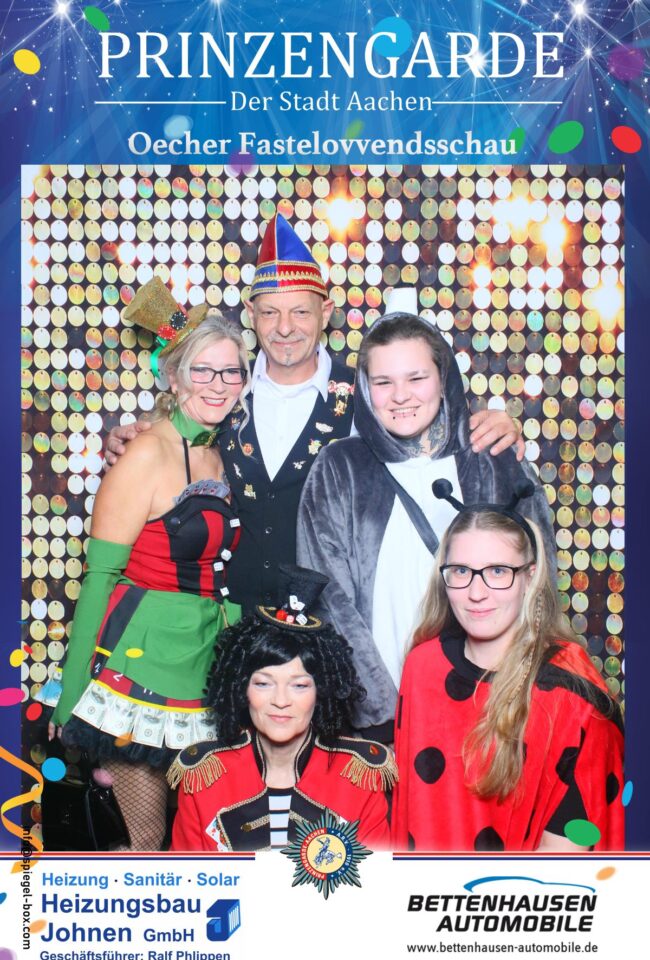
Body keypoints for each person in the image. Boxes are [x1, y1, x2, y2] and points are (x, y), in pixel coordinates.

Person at [105, 217, 522, 611]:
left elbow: (432, 437)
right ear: (251, 314)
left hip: (332, 624)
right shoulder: (226, 391)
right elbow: (175, 451)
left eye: (301, 312)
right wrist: (136, 441)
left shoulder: (369, 394)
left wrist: (497, 427)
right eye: (270, 312)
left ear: (325, 313)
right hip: (232, 623)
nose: (285, 328)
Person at [47, 276, 250, 850]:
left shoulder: (226, 451)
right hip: (139, 669)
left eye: (231, 372)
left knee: (206, 836)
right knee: (143, 840)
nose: (218, 384)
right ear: (174, 376)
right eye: (203, 370)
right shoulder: (145, 452)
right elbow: (100, 578)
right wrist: (72, 696)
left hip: (206, 662)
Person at [297, 293, 555, 741]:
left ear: (443, 377)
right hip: (384, 715)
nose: (400, 396)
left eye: (416, 377)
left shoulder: (492, 456)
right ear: (365, 387)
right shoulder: (341, 468)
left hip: (492, 707)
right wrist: (377, 707)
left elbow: (538, 577)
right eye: (383, 381)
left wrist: (512, 689)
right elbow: (326, 595)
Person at [392, 481, 624, 851]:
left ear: (530, 577)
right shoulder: (423, 666)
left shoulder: (570, 695)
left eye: (498, 571)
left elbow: (573, 852)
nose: (476, 592)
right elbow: (412, 814)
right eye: (461, 571)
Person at [169, 566, 396, 852]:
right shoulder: (204, 776)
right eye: (264, 683)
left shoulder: (359, 776)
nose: (280, 700)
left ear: (321, 692)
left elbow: (376, 877)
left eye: (299, 685)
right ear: (241, 688)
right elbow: (188, 876)